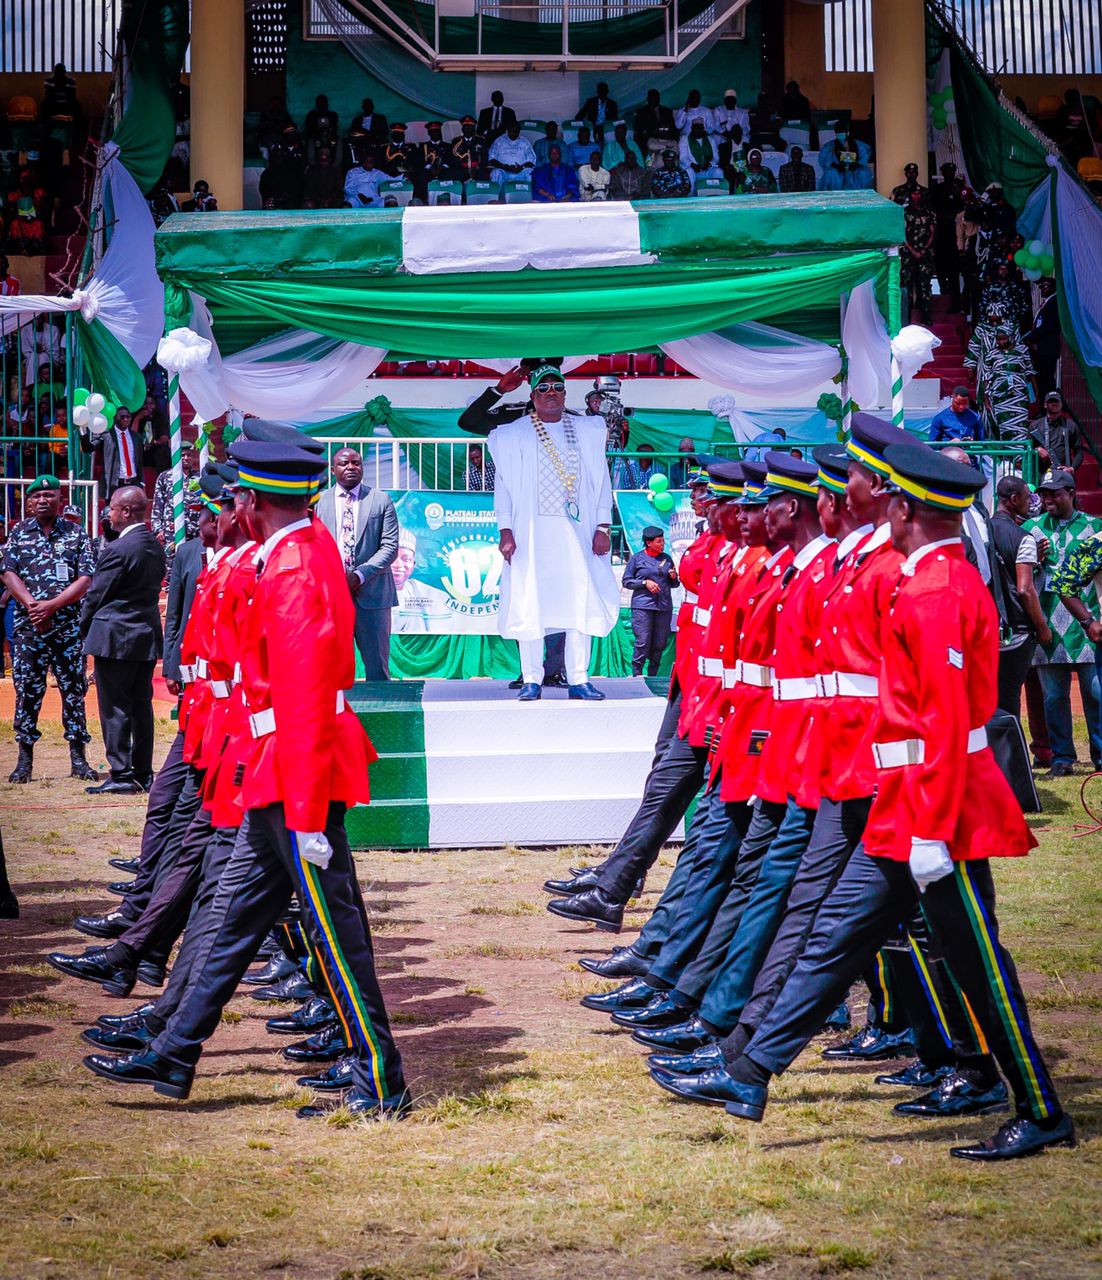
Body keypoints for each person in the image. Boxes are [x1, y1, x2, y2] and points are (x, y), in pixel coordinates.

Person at [664, 444, 1076, 1163]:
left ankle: (1039, 1107)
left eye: (890, 499)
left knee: (978, 959)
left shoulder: (938, 588)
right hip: (906, 805)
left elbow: (945, 721)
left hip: (937, 811)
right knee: (835, 937)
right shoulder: (925, 578)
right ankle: (747, 1073)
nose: (881, 506)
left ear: (906, 511)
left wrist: (931, 829)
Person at [83, 437, 410, 1119]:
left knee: (335, 933)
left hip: (295, 775)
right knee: (232, 916)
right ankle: (175, 1050)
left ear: (251, 501)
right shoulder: (298, 549)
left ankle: (382, 1082)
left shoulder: (292, 563)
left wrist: (305, 809)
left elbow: (301, 693)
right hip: (280, 770)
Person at [489, 364, 619, 701]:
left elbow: (602, 480)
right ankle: (532, 679)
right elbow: (502, 486)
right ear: (532, 396)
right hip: (530, 533)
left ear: (564, 393)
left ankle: (579, 679)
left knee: (581, 598)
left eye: (557, 387)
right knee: (530, 599)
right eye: (543, 388)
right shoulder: (512, 434)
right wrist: (505, 529)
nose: (551, 393)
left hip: (579, 532)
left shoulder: (588, 430)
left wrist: (603, 525)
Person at [1, 475, 97, 783]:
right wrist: (32, 605)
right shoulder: (18, 533)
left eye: (49, 494)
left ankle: (79, 760)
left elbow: (85, 579)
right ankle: (24, 761)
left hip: (67, 627)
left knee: (73, 691)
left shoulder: (76, 534)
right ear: (28, 502)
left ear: (60, 498)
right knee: (27, 691)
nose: (43, 499)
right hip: (29, 629)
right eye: (37, 495)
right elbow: (7, 572)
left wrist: (51, 606)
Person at [80, 486, 165, 793]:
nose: (110, 513)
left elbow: (96, 596)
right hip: (144, 636)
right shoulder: (155, 547)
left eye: (113, 508)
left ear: (127, 511)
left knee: (115, 707)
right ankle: (143, 772)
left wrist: (81, 628)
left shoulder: (118, 549)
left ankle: (121, 774)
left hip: (114, 638)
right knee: (142, 706)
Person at [1023, 470, 1102, 774]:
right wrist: (1035, 560)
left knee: (1095, 693)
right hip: (1049, 626)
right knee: (1054, 696)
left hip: (1088, 627)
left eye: (1055, 493)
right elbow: (1024, 577)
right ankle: (1062, 757)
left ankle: (1099, 755)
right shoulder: (1031, 529)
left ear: (1070, 492)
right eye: (1044, 494)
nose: (1048, 499)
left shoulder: (1095, 527)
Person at [316, 448, 398, 682]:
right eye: (344, 463)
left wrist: (359, 575)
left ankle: (383, 717)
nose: (351, 467)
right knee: (331, 669)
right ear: (333, 470)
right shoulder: (320, 502)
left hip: (372, 596)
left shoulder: (380, 500)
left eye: (356, 463)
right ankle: (338, 716)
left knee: (377, 668)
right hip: (331, 596)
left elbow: (390, 547)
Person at [990, 474, 1051, 719]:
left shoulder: (981, 530)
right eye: (1027, 498)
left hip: (987, 627)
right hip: (1016, 630)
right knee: (1009, 699)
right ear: (1014, 499)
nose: (1031, 503)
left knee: (988, 697)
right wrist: (1042, 626)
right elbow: (1025, 590)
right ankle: (1011, 755)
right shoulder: (1023, 537)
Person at [623, 526, 678, 677]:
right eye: (659, 541)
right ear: (649, 543)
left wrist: (673, 577)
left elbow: (675, 584)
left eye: (663, 541)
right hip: (643, 606)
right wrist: (644, 583)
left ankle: (653, 675)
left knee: (660, 643)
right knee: (643, 641)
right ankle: (637, 673)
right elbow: (626, 581)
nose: (663, 544)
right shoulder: (637, 559)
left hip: (663, 606)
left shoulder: (666, 558)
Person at [984, 328, 1036, 443]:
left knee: (1020, 427)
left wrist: (1035, 393)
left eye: (1004, 339)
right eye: (998, 339)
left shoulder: (1022, 350)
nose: (1001, 342)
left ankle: (1020, 457)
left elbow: (1030, 372)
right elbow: (987, 376)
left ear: (1010, 337)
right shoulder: (991, 353)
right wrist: (986, 397)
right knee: (1004, 427)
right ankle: (1007, 457)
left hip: (1019, 395)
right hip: (1000, 396)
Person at [79, 411, 145, 501]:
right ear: (115, 418)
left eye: (128, 417)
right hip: (115, 484)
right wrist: (83, 432)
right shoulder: (107, 435)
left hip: (133, 482)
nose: (126, 419)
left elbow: (139, 461)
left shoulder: (136, 437)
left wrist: (142, 482)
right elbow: (88, 448)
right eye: (122, 417)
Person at [931, 162, 968, 311]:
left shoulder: (960, 187)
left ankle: (956, 302)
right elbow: (934, 207)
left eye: (951, 172)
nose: (949, 174)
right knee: (939, 264)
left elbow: (963, 205)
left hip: (957, 230)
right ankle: (943, 290)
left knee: (954, 268)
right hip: (942, 230)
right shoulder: (938, 189)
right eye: (946, 172)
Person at [151, 440, 200, 548]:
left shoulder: (198, 478)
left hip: (194, 530)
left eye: (189, 455)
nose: (186, 458)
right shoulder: (165, 477)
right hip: (171, 531)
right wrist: (158, 529)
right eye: (183, 455)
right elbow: (158, 505)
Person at [1028, 391, 1086, 475]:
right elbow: (1027, 450)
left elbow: (1079, 451)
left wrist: (1072, 468)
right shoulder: (1035, 426)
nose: (1054, 404)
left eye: (1057, 401)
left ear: (1062, 404)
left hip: (1064, 474)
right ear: (1045, 405)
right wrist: (1036, 451)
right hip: (1041, 474)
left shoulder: (1071, 425)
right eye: (1051, 401)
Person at [902, 187, 936, 323]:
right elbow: (901, 234)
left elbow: (932, 232)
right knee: (906, 286)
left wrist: (923, 250)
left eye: (918, 193)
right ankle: (906, 318)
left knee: (924, 286)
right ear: (910, 195)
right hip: (908, 254)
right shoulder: (904, 212)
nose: (916, 196)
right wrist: (912, 250)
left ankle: (926, 317)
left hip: (924, 253)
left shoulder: (928, 211)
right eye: (914, 193)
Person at [1026, 277, 1061, 398]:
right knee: (1041, 378)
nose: (1042, 289)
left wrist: (1032, 338)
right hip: (1041, 348)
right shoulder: (1047, 302)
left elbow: (1047, 326)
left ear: (1053, 288)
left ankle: (1048, 404)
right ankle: (1043, 405)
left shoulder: (1054, 303)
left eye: (1045, 286)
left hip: (1047, 348)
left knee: (1046, 379)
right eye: (1041, 286)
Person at [633, 89, 678, 164]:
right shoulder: (641, 112)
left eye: (656, 97)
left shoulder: (667, 111)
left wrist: (673, 138)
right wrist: (652, 130)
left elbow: (673, 128)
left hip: (666, 139)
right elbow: (638, 129)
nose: (654, 99)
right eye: (652, 97)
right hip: (650, 140)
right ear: (648, 99)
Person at [679, 119, 723, 191]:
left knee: (718, 171)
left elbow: (716, 157)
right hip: (693, 169)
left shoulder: (710, 140)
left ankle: (716, 194)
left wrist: (709, 164)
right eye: (695, 127)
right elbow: (683, 157)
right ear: (691, 129)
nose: (697, 130)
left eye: (699, 127)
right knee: (688, 171)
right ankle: (691, 196)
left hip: (706, 169)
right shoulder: (684, 139)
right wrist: (693, 165)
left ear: (703, 129)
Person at [451, 116, 487, 182]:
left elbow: (485, 158)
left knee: (482, 175)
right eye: (465, 127)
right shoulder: (456, 142)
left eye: (470, 127)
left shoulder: (481, 141)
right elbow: (453, 159)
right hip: (461, 169)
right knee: (457, 175)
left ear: (474, 129)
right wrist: (463, 168)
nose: (468, 129)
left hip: (477, 169)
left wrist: (476, 168)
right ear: (462, 129)